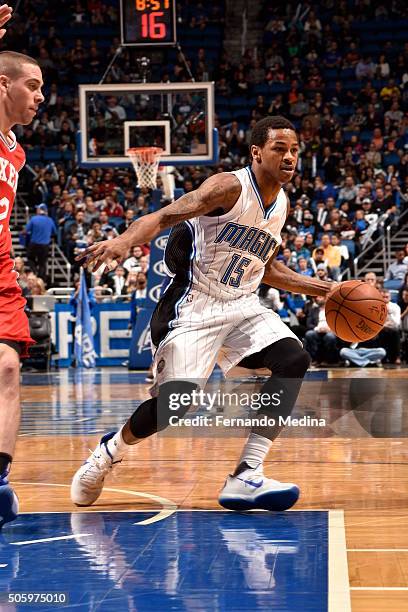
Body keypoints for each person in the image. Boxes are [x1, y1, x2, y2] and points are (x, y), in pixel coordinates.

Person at [71, 116, 338, 512]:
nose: (289, 157)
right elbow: (165, 217)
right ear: (257, 152)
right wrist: (125, 241)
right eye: (280, 148)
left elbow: (270, 268)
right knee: (176, 404)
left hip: (242, 304)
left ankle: (247, 474)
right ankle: (108, 452)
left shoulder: (280, 204)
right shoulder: (228, 187)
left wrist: (328, 290)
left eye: (295, 150)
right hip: (194, 305)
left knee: (293, 358)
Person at [0, 9, 45, 528]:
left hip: (0, 272)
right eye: (31, 86)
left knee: (8, 368)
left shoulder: (17, 151)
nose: (38, 96)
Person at [25, 203, 57, 281]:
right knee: (42, 263)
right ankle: (41, 280)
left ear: (40, 210)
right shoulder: (50, 220)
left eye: (37, 209)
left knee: (30, 258)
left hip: (34, 244)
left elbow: (26, 231)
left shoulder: (34, 219)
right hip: (45, 245)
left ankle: (34, 271)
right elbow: (54, 232)